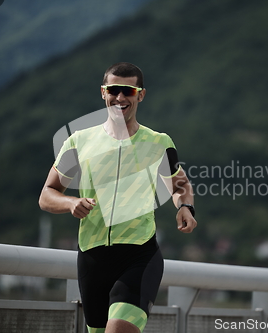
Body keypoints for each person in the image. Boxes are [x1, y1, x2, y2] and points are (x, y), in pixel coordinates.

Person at [39, 62, 197, 333]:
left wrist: (185, 207)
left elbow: (180, 185)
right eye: (114, 90)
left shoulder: (158, 143)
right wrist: (71, 203)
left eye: (128, 91)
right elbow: (47, 194)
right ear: (103, 92)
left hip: (139, 256)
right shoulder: (78, 141)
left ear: (141, 95)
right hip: (92, 258)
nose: (120, 98)